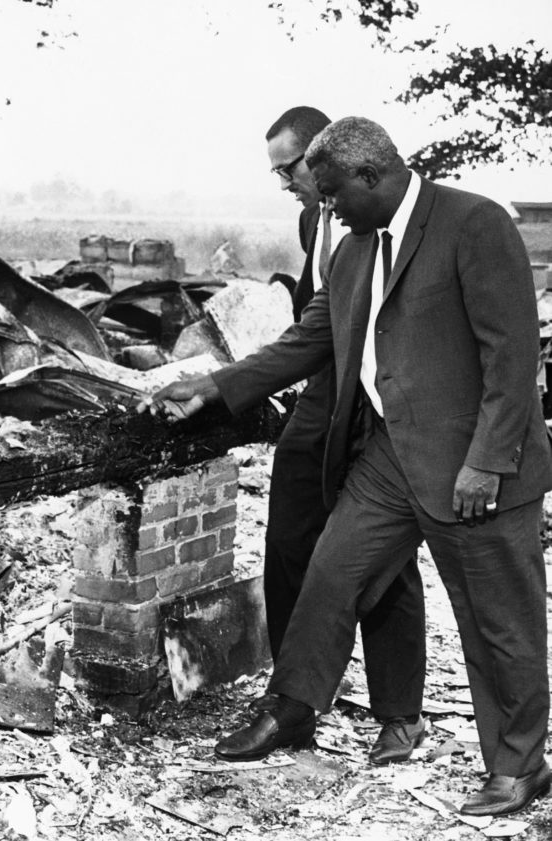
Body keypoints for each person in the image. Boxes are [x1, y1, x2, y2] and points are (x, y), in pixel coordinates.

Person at [139, 117, 552, 817]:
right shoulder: (355, 252)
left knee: (497, 619)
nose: (325, 209)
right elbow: (308, 341)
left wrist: (487, 461)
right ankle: (296, 706)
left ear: (372, 175)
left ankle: (519, 765)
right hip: (391, 456)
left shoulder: (473, 224)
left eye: (332, 194)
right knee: (332, 573)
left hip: (479, 462)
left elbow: (513, 359)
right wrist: (216, 385)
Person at [259, 107, 427, 766]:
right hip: (322, 397)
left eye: (288, 170)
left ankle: (399, 715)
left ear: (320, 159)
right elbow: (315, 316)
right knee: (288, 538)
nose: (285, 185)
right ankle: (292, 703)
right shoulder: (311, 221)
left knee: (385, 562)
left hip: (380, 406)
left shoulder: (380, 215)